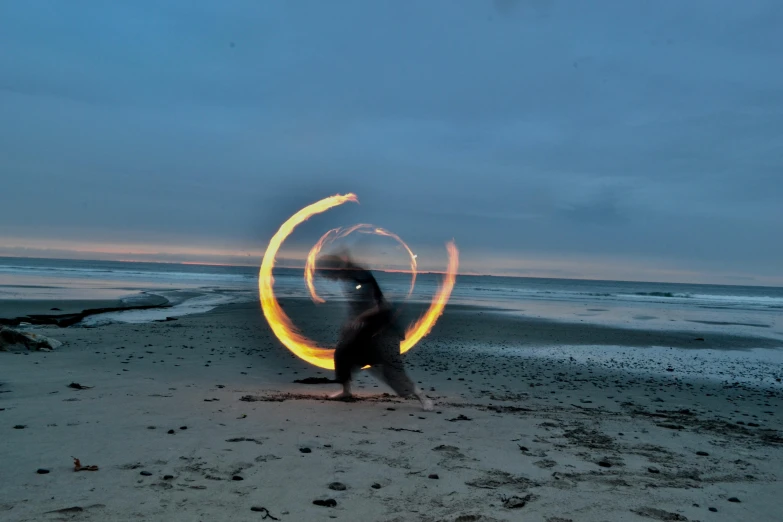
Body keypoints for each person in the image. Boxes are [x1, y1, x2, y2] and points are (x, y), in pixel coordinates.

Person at [317, 253, 433, 411]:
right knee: (343, 353)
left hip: (383, 328)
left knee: (391, 367)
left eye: (326, 274)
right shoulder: (349, 277)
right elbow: (358, 305)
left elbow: (380, 307)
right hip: (366, 328)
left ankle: (423, 398)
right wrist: (351, 324)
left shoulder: (359, 276)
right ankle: (346, 392)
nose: (328, 278)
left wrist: (356, 320)